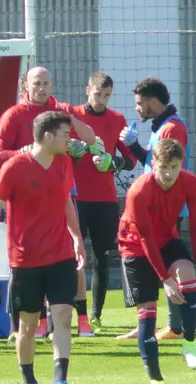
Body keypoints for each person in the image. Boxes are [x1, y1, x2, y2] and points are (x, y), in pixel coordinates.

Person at [0, 110, 87, 384]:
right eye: (66, 134)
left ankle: (60, 383)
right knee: (28, 325)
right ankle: (29, 383)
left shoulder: (64, 162)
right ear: (47, 136)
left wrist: (77, 237)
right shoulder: (15, 167)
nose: (70, 139)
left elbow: (66, 199)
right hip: (25, 259)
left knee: (63, 316)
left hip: (60, 255)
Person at [0, 66, 96, 340]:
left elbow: (90, 139)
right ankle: (32, 322)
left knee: (72, 258)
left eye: (46, 83)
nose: (42, 88)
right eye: (36, 83)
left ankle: (82, 320)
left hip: (60, 194)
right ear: (25, 85)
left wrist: (70, 119)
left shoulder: (60, 111)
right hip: (27, 201)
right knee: (30, 262)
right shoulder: (13, 116)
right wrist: (23, 152)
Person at [118, 138, 196, 384]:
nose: (169, 173)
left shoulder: (191, 183)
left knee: (188, 273)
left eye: (174, 166)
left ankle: (189, 345)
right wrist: (165, 279)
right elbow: (145, 238)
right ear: (153, 164)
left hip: (166, 240)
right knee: (147, 315)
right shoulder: (139, 191)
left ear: (182, 164)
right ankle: (157, 383)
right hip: (135, 247)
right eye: (163, 167)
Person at [116, 77, 188, 341]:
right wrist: (134, 147)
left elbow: (165, 168)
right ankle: (147, 322)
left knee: (167, 264)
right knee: (147, 263)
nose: (137, 109)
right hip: (153, 204)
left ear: (152, 101)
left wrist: (134, 147)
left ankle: (174, 326)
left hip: (165, 207)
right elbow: (154, 162)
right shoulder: (162, 126)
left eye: (139, 103)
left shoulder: (172, 128)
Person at [68, 72, 136, 335]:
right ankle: (73, 313)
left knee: (102, 256)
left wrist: (112, 161)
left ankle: (96, 315)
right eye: (98, 94)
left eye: (107, 96)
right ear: (88, 90)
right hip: (74, 197)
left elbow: (130, 159)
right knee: (71, 256)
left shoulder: (116, 119)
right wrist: (72, 152)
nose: (101, 100)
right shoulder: (73, 116)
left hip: (105, 199)